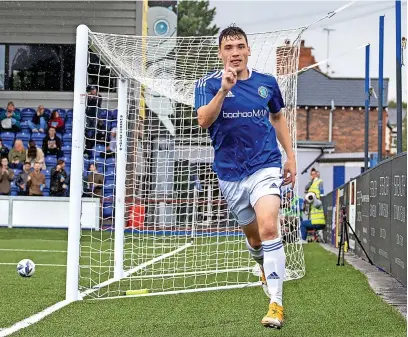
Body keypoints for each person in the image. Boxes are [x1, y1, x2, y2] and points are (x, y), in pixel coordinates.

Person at [194, 25, 296, 329]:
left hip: (265, 165)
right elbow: (202, 121)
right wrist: (225, 90)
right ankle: (262, 267)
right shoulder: (208, 84)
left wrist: (290, 156)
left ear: (248, 50)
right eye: (228, 47)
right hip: (230, 173)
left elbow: (277, 116)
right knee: (253, 239)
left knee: (268, 227)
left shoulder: (267, 83)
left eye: (240, 46)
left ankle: (276, 303)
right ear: (220, 53)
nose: (235, 52)